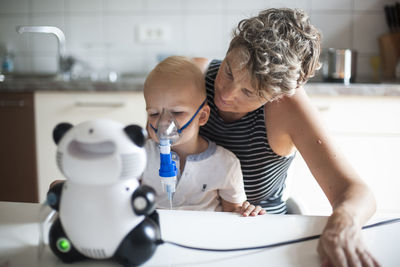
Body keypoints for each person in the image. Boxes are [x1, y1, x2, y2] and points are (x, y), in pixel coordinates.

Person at [193, 8, 379, 267]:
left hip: (260, 239)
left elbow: (356, 191)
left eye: (248, 92)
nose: (226, 94)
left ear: (274, 95)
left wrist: (343, 222)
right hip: (192, 227)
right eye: (228, 71)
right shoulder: (195, 75)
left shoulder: (286, 105)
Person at [141, 55, 266, 215]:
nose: (164, 123)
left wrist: (247, 212)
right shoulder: (142, 156)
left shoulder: (225, 164)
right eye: (154, 113)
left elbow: (233, 217)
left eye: (177, 112)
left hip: (205, 237)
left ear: (202, 116)